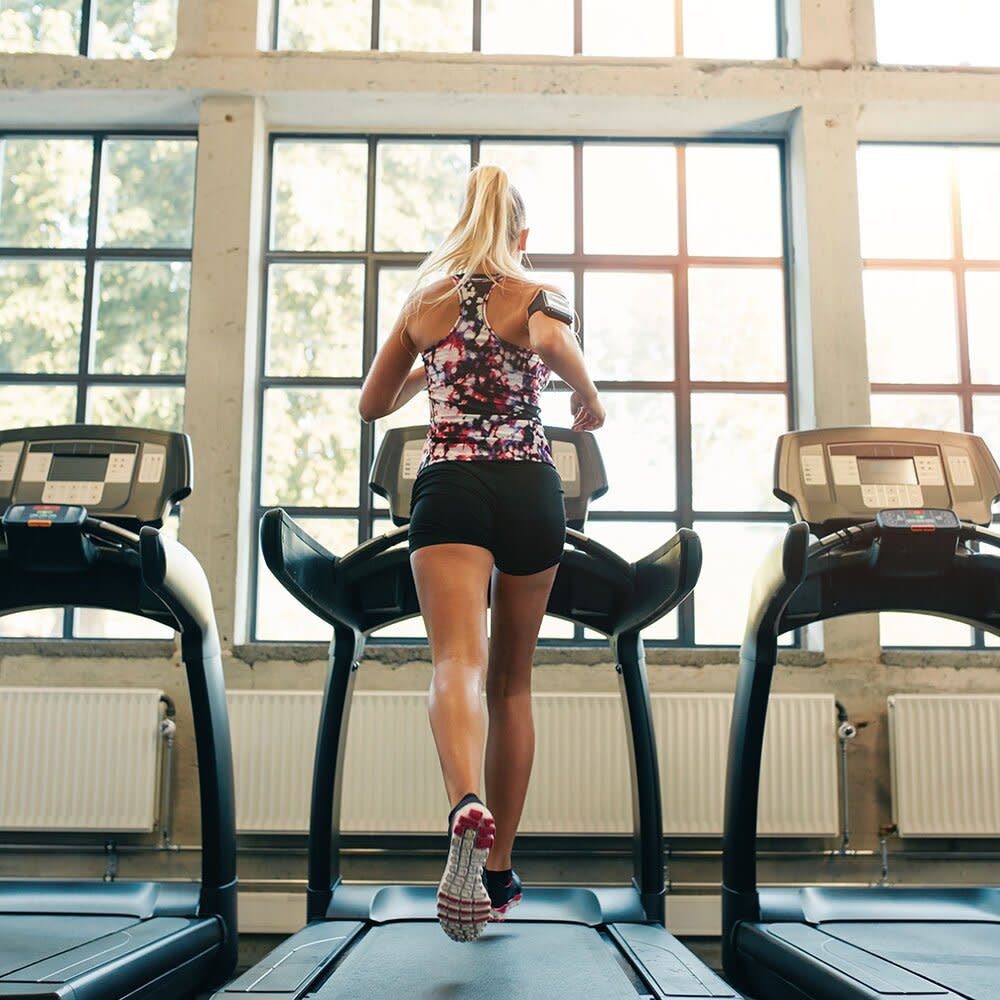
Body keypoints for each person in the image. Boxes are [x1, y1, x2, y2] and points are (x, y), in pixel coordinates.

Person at [358, 164, 605, 942]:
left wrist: (430, 374)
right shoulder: (533, 293)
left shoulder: (425, 302)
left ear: (462, 223)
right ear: (520, 235)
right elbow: (553, 342)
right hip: (532, 487)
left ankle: (466, 799)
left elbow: (372, 403)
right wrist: (588, 394)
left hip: (451, 486)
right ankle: (499, 875)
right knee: (514, 682)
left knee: (455, 662)